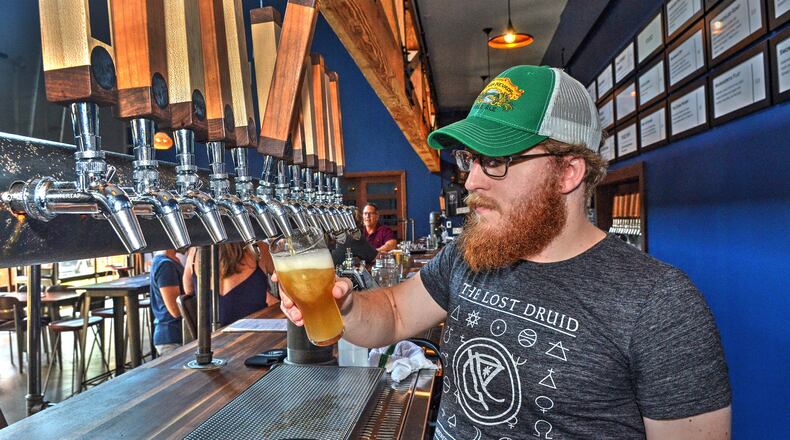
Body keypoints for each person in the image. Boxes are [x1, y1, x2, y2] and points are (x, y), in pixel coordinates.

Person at [279, 66, 731, 438]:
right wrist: (347, 304)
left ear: (568, 172)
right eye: (470, 160)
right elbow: (395, 314)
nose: (471, 181)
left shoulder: (660, 304)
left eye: (495, 160)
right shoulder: (469, 255)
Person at [183, 242, 277, 326]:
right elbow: (284, 277)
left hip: (211, 340)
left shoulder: (194, 255)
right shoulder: (258, 249)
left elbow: (188, 291)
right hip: (258, 336)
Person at [149, 249, 185, 355]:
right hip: (171, 335)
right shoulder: (165, 265)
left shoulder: (171, 261)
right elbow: (175, 310)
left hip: (175, 334)